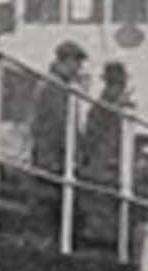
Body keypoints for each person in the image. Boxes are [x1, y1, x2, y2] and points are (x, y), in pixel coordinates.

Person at [31, 41, 87, 175]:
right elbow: (58, 122)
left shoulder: (60, 85)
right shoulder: (53, 86)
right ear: (66, 60)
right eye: (77, 62)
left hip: (55, 155)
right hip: (52, 156)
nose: (79, 68)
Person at [80, 61, 132, 184]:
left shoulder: (112, 109)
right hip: (101, 169)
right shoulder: (100, 109)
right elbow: (95, 138)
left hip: (112, 168)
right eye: (118, 84)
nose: (121, 89)